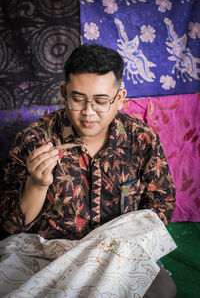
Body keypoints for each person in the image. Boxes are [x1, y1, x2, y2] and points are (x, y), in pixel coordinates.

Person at [0, 44, 176, 297]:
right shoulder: (35, 139)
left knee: (164, 291)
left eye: (101, 101)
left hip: (118, 253)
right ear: (63, 93)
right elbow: (11, 224)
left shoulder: (141, 139)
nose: (88, 112)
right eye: (77, 98)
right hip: (48, 252)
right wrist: (37, 184)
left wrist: (115, 246)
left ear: (120, 98)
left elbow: (161, 203)